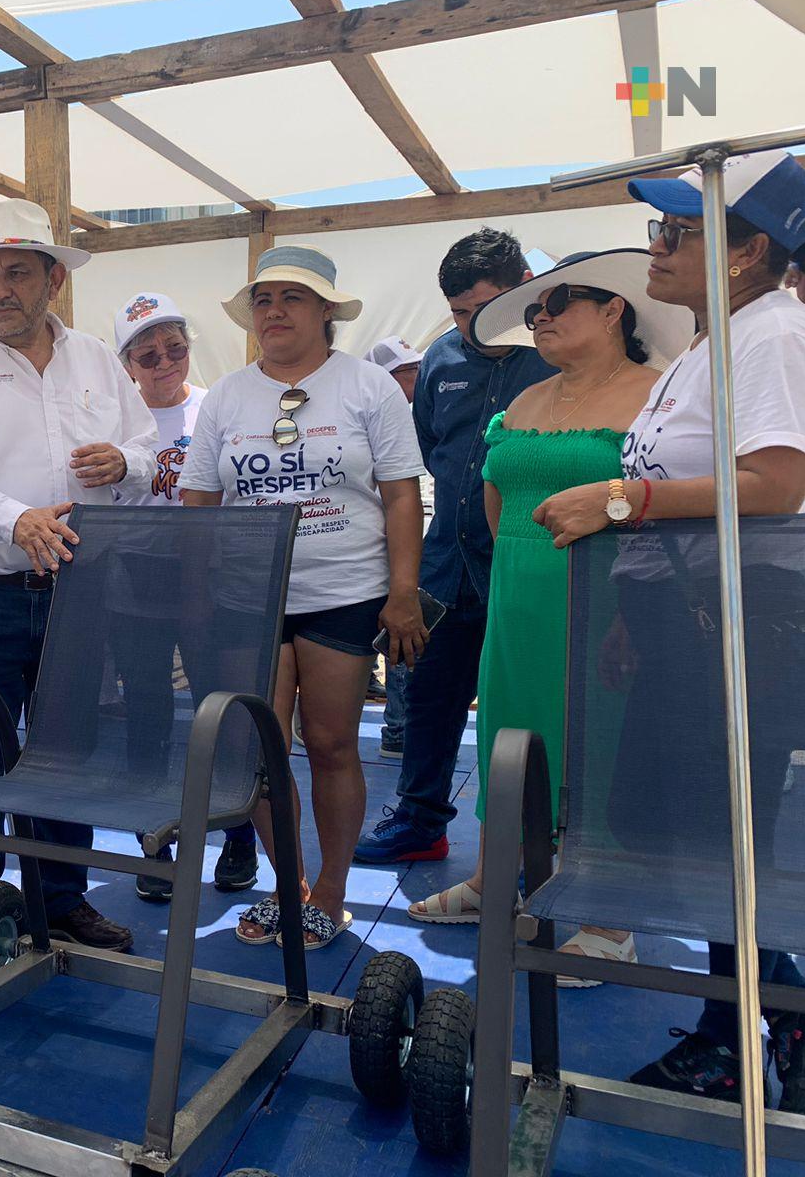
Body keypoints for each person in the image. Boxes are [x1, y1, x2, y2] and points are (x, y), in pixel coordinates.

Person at [531, 152, 805, 1108]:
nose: (658, 245)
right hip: (683, 619)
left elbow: (775, 486)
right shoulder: (709, 341)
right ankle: (774, 1011)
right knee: (681, 831)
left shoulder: (768, 333)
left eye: (680, 232)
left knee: (720, 838)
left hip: (736, 627)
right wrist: (633, 618)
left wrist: (620, 502)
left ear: (749, 251)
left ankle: (742, 1035)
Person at [407, 249, 696, 987]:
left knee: (598, 746)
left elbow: (670, 503)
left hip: (609, 605)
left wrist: (637, 611)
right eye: (534, 309)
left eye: (558, 301)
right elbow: (500, 508)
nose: (540, 316)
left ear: (613, 310)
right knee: (511, 733)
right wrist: (516, 583)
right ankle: (494, 882)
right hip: (518, 604)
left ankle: (609, 921)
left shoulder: (656, 397)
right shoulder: (527, 402)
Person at [0, 198, 157, 952]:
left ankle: (60, 898)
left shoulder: (93, 359)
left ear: (54, 278)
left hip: (78, 593)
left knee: (67, 749)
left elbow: (147, 449)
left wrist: (126, 462)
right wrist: (13, 518)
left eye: (17, 272)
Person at [179, 246, 427, 949]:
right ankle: (287, 888)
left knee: (329, 744)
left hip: (343, 590)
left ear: (326, 312)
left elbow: (401, 491)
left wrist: (403, 591)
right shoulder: (227, 394)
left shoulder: (368, 387)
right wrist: (195, 597)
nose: (275, 311)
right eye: (264, 299)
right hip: (247, 598)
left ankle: (331, 891)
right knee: (260, 751)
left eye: (293, 298)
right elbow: (200, 501)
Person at [354, 229, 557, 865]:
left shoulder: (555, 357)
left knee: (527, 709)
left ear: (523, 285)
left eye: (481, 309)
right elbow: (416, 461)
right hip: (446, 563)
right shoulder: (440, 360)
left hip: (526, 563)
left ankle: (538, 843)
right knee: (429, 699)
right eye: (459, 312)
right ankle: (420, 823)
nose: (470, 326)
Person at [110, 290, 258, 901]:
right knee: (145, 711)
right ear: (128, 365)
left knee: (221, 710)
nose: (164, 362)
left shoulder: (216, 408)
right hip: (136, 578)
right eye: (148, 356)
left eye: (174, 348)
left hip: (211, 575)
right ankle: (154, 841)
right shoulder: (114, 418)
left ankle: (238, 836)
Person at [364, 336, 427, 760]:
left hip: (415, 542)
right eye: (407, 372)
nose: (417, 377)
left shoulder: (421, 413)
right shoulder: (379, 414)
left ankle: (399, 724)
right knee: (402, 633)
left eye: (416, 368)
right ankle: (399, 729)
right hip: (385, 548)